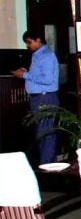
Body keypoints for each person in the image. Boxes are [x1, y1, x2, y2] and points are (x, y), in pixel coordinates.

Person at [12, 30, 59, 164]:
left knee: (46, 133)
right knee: (42, 133)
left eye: (29, 42)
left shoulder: (47, 56)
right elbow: (39, 76)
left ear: (38, 39)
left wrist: (25, 75)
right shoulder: (38, 55)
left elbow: (47, 80)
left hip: (45, 98)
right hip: (38, 99)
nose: (28, 45)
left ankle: (47, 165)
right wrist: (27, 73)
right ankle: (47, 164)